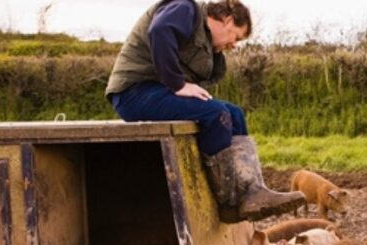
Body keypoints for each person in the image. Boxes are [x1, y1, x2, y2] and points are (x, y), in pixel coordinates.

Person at [105, 0, 305, 222]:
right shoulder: (185, 8)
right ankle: (228, 202)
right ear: (227, 20)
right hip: (133, 92)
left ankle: (252, 193)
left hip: (157, 92)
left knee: (235, 114)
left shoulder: (207, 42)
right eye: (236, 37)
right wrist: (178, 84)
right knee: (215, 114)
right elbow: (160, 31)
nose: (234, 45)